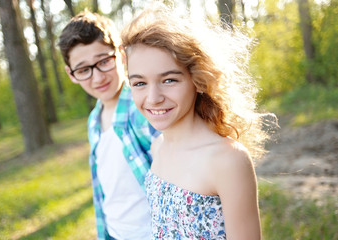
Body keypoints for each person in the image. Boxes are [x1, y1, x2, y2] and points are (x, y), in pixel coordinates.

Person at [122, 6, 272, 240]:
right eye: (139, 83)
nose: (153, 98)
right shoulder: (157, 147)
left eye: (169, 80)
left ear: (198, 80)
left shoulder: (228, 160)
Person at [58, 10, 159, 240]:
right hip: (114, 233)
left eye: (104, 61)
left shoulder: (145, 107)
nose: (97, 78)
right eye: (84, 70)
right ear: (71, 74)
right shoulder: (94, 120)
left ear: (121, 54)